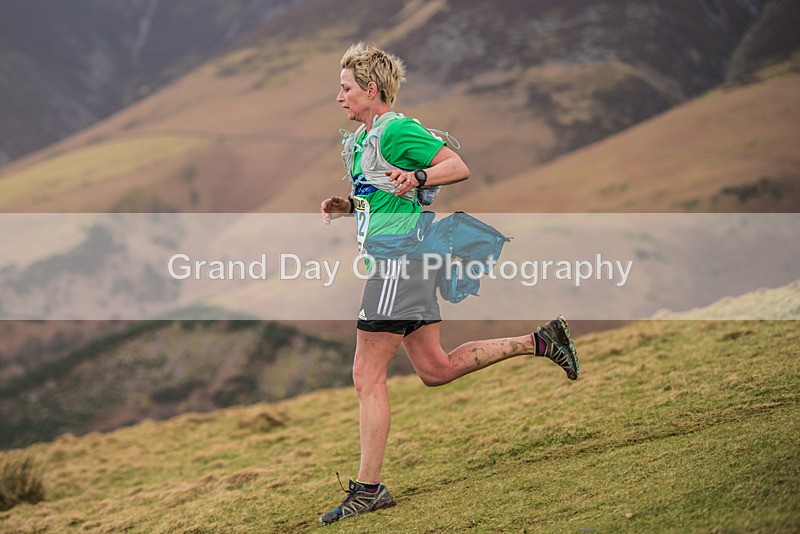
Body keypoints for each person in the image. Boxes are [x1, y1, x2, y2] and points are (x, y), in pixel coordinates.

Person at [318, 42, 579, 525]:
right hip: (401, 260)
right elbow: (386, 197)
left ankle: (368, 489)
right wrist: (349, 207)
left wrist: (419, 174)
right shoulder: (363, 142)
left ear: (371, 90)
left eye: (346, 88)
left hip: (402, 262)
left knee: (365, 375)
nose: (339, 97)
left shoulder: (397, 129)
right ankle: (541, 341)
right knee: (435, 369)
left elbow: (456, 167)